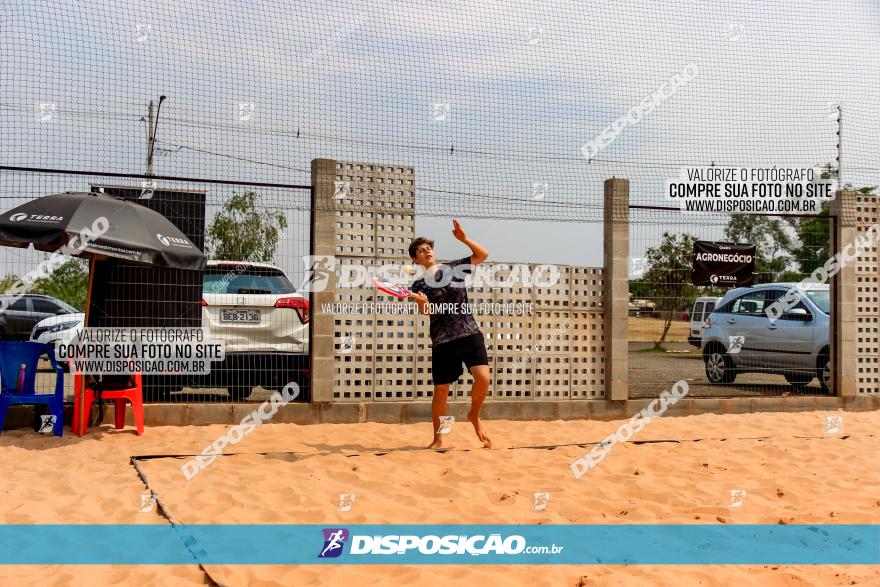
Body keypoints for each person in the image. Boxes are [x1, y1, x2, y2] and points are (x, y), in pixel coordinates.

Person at [409, 219, 492, 449]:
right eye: (420, 251)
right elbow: (426, 311)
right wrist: (422, 302)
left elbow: (483, 255)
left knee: (483, 379)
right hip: (443, 341)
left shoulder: (453, 269)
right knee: (442, 392)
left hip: (469, 333)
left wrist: (464, 239)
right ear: (415, 260)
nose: (426, 251)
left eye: (428, 248)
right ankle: (439, 437)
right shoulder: (418, 286)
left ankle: (474, 415)